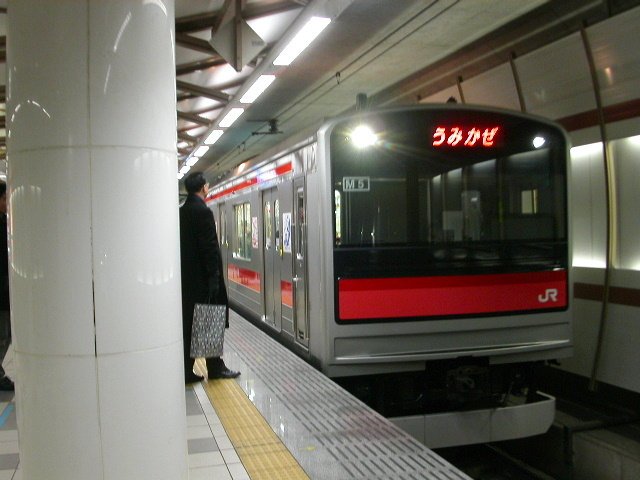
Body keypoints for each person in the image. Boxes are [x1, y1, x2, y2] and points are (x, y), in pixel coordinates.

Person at [179, 171, 240, 383]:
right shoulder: (203, 212)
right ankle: (215, 367)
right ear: (203, 187)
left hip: (188, 281)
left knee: (190, 325)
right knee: (211, 320)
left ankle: (187, 369)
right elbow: (209, 248)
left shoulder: (182, 212)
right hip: (204, 281)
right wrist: (214, 278)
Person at [0, 181, 14, 391]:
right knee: (3, 335)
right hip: (2, 287)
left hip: (6, 287)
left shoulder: (6, 221)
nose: (6, 203)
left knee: (7, 334)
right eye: (4, 198)